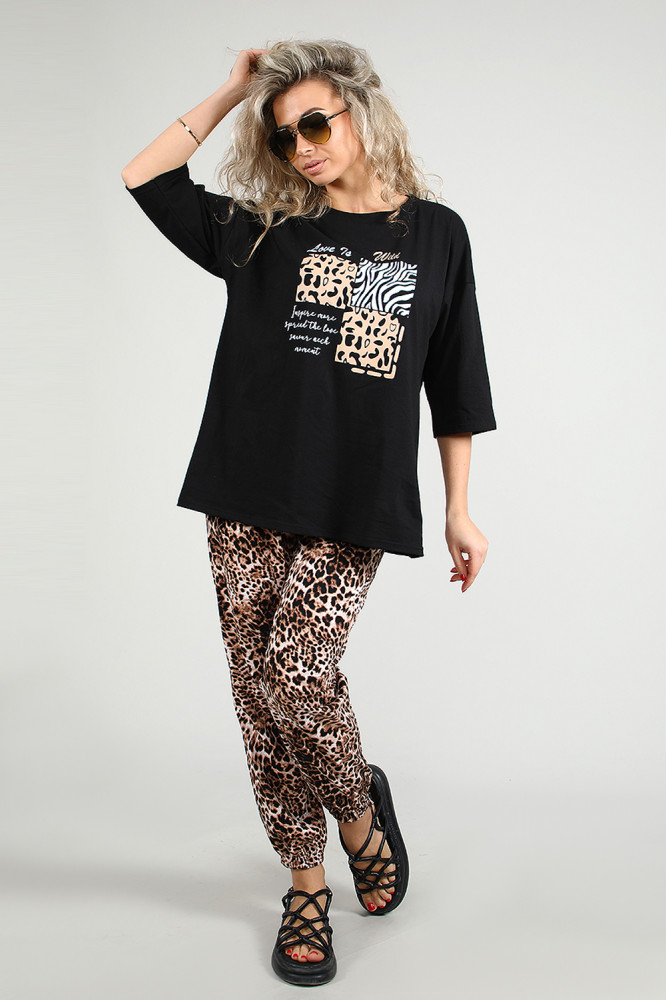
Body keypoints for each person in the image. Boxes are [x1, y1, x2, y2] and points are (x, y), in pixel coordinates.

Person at [121, 38, 497, 987]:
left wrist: (460, 508)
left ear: (362, 112)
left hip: (351, 498)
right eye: (286, 135)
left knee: (298, 669)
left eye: (317, 122)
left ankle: (359, 816)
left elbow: (457, 382)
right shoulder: (264, 229)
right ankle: (305, 884)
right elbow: (145, 175)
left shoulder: (437, 235)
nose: (304, 146)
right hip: (244, 488)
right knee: (259, 697)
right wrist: (234, 90)